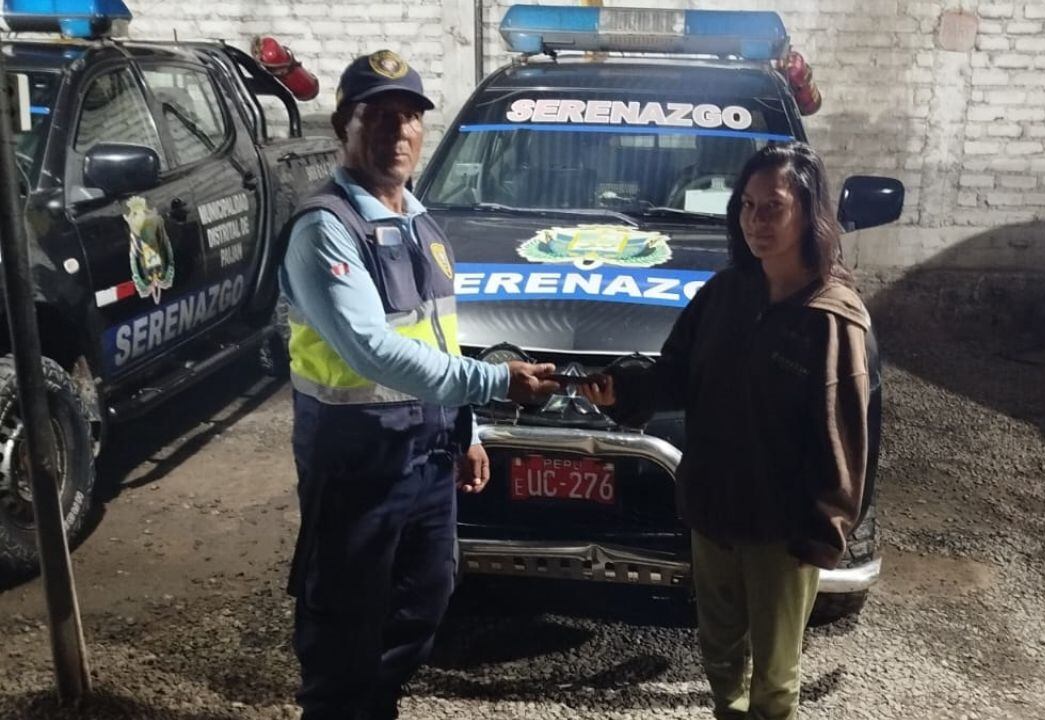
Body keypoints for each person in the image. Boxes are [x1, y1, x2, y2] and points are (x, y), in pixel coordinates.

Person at [279, 49, 558, 720]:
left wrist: (468, 429)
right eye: (378, 116)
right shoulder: (325, 229)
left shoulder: (420, 221)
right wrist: (492, 382)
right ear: (344, 125)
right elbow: (370, 349)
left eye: (409, 117)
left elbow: (439, 335)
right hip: (358, 464)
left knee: (423, 602)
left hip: (428, 459)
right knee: (345, 627)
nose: (398, 131)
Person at [583, 142, 872, 720]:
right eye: (747, 205)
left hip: (781, 531)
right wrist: (625, 391)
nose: (756, 221)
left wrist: (823, 532)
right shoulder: (724, 294)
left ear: (808, 212)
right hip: (713, 511)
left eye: (774, 207)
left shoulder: (831, 318)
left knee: (775, 679)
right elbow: (676, 375)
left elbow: (843, 437)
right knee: (720, 658)